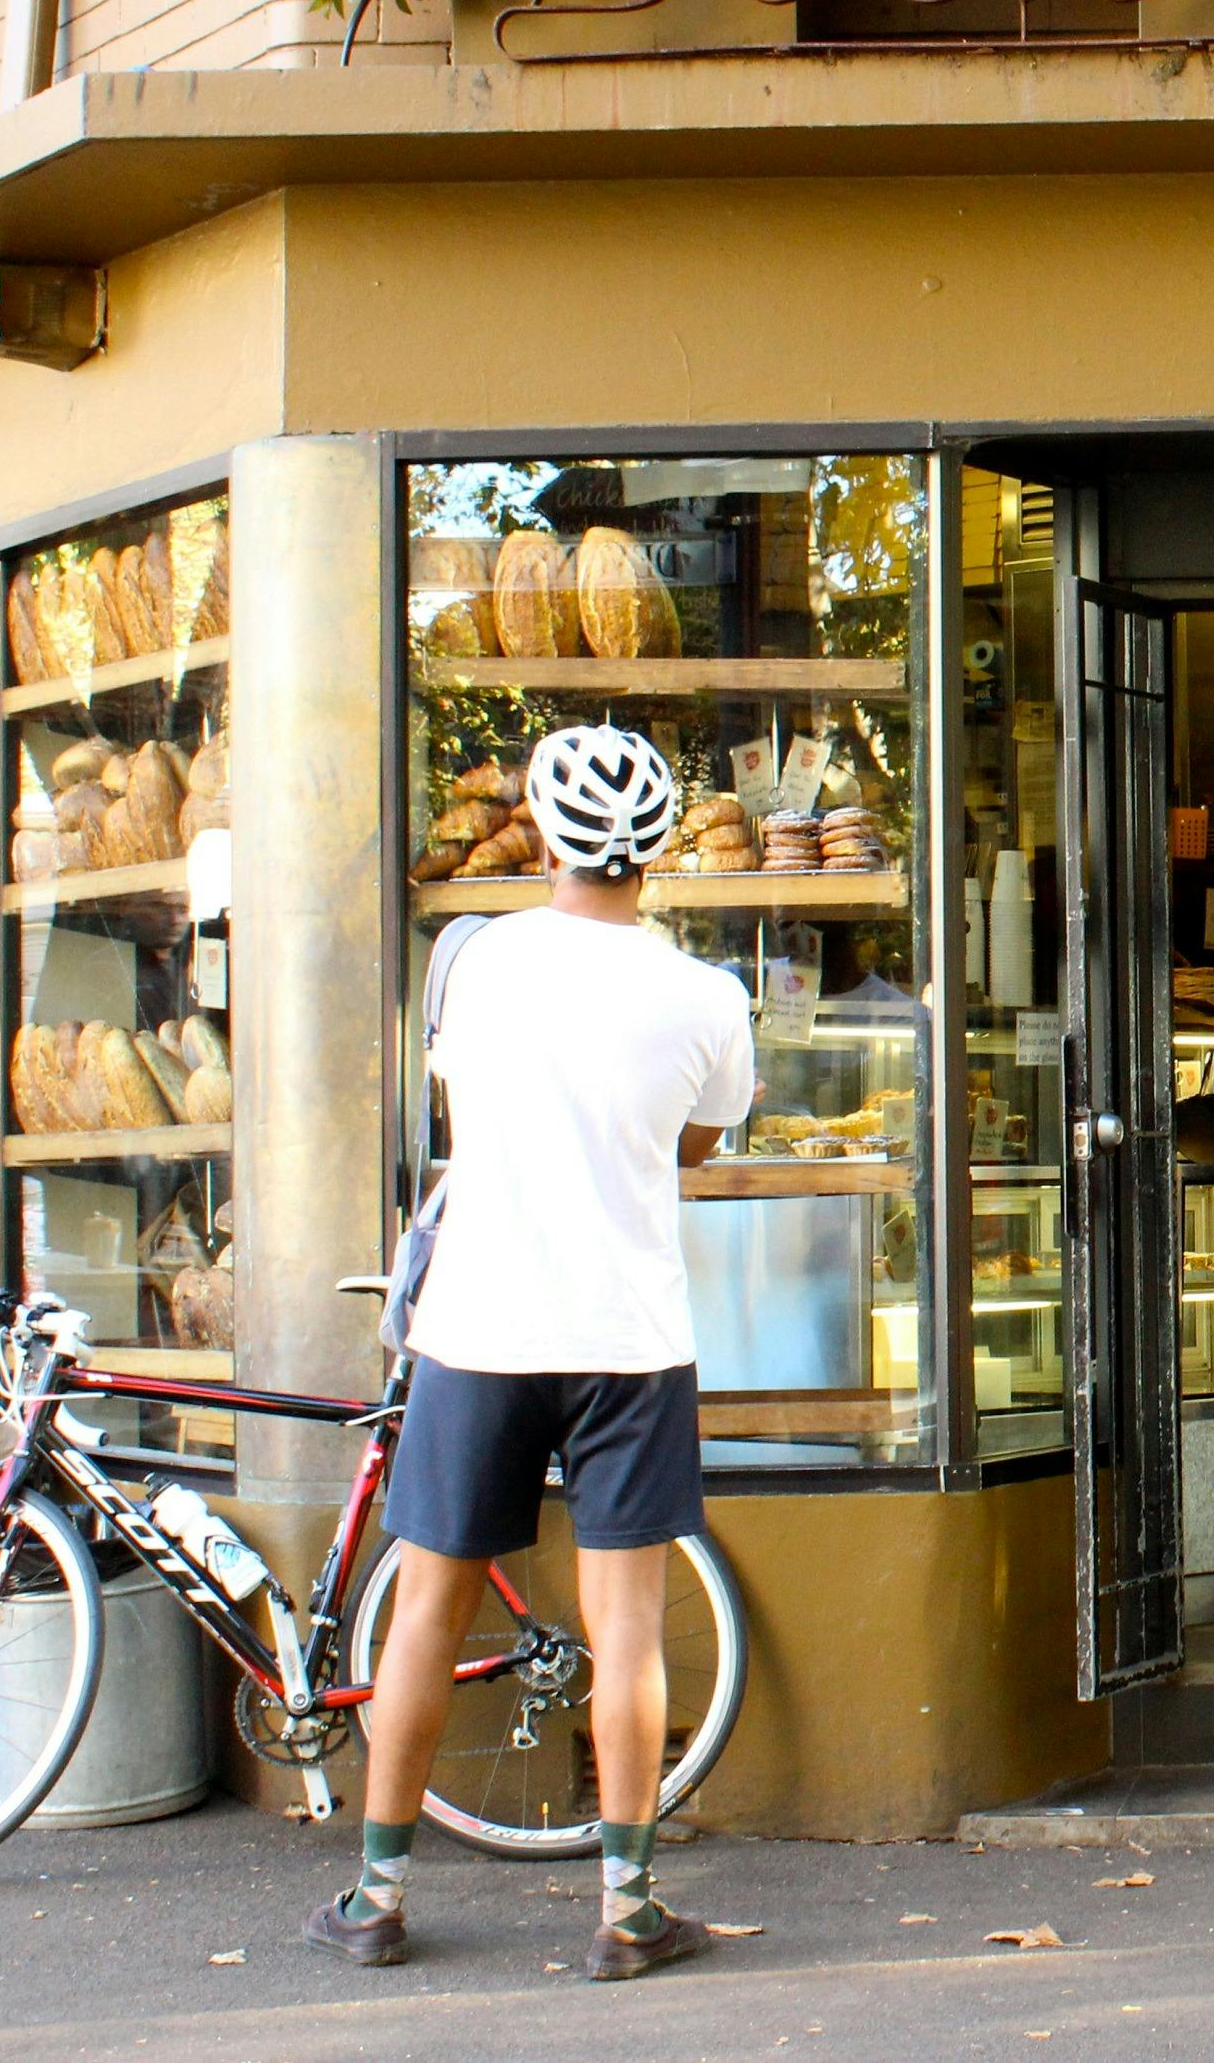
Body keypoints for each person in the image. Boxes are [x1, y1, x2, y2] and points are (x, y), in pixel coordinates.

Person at [305, 725, 754, 1982]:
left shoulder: (475, 963)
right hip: (629, 1335)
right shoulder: (709, 998)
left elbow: (463, 1102)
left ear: (549, 836)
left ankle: (375, 1896)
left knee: (428, 1610)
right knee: (627, 1631)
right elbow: (697, 1147)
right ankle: (626, 1909)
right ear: (661, 846)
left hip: (482, 1325)